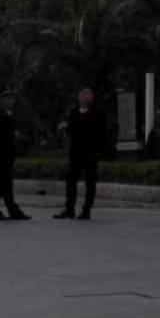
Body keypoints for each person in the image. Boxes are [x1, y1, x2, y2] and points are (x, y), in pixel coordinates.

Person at [55, 87, 106, 221]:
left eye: (88, 94)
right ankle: (69, 209)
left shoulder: (98, 113)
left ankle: (86, 210)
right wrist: (64, 128)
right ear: (78, 98)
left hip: (90, 154)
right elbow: (70, 132)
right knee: (71, 181)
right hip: (75, 153)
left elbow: (102, 133)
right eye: (83, 95)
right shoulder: (73, 113)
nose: (85, 97)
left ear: (92, 98)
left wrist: (98, 151)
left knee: (90, 183)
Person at [0, 89, 30, 221]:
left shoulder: (10, 116)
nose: (11, 101)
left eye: (12, 99)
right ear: (1, 101)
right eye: (7, 99)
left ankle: (13, 211)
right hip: (0, 156)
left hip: (7, 156)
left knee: (6, 186)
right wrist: (13, 135)